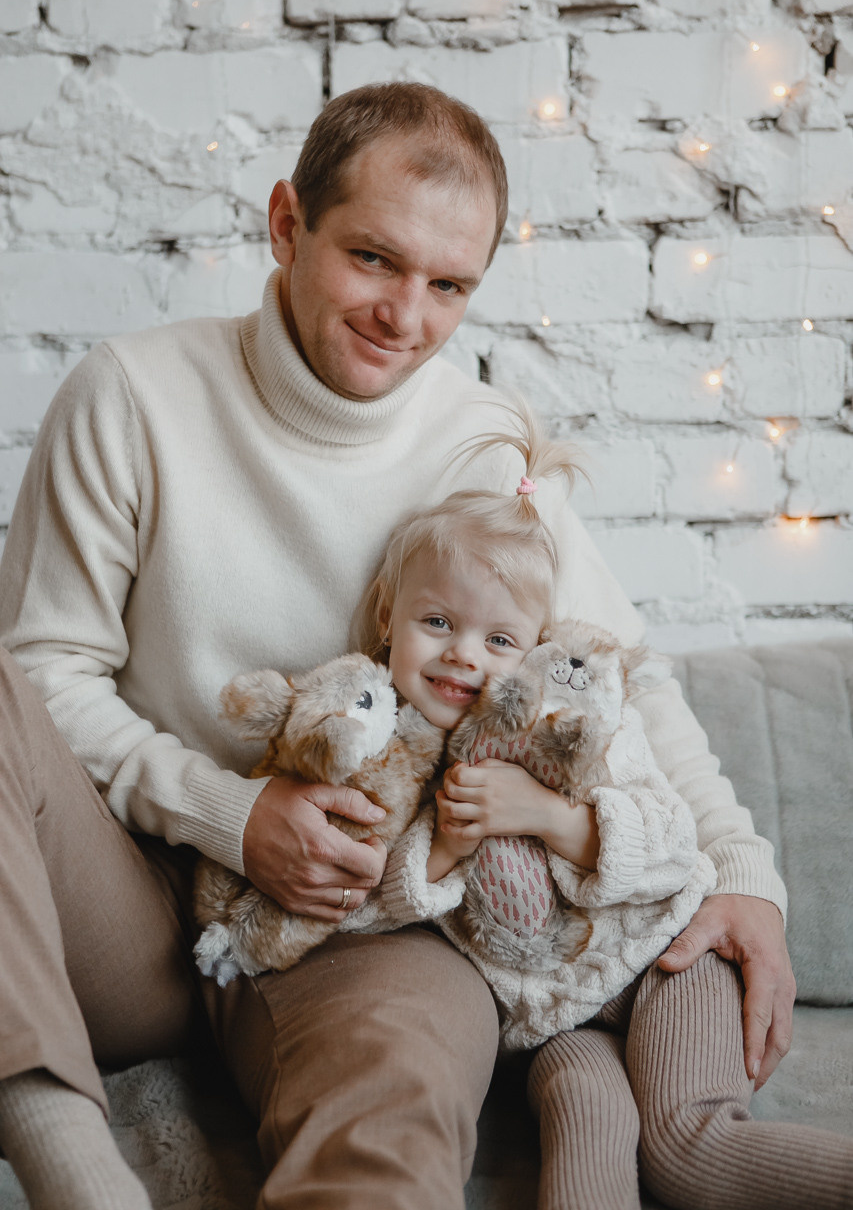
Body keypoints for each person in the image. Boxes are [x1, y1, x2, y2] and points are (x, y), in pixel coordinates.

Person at [0, 81, 806, 1210]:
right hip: (126, 901)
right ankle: (70, 1164)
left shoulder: (478, 442)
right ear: (288, 225)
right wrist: (227, 812)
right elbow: (40, 675)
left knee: (396, 1097)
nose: (405, 315)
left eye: (448, 285)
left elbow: (618, 671)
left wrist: (744, 874)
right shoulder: (132, 397)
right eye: (374, 259)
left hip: (363, 906)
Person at [344, 420, 853, 1210]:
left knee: (689, 1150)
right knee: (584, 1120)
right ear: (388, 617)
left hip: (663, 957)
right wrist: (441, 848)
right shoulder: (387, 755)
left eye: (499, 639)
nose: (463, 656)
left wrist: (551, 817)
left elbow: (673, 840)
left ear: (535, 648)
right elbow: (377, 905)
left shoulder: (572, 723)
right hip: (553, 1020)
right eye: (436, 622)